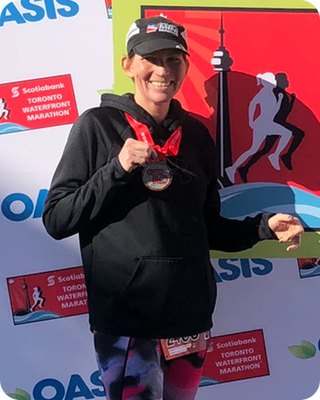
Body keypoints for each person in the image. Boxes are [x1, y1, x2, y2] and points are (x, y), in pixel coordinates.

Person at [42, 16, 304, 400]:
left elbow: (208, 227)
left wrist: (264, 227)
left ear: (184, 67)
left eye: (173, 59)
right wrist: (116, 170)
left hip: (189, 320)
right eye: (151, 58)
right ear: (129, 66)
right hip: (127, 321)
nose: (163, 70)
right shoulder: (97, 126)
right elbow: (57, 219)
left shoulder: (196, 135)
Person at [225, 72, 292, 184]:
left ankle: (274, 155)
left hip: (268, 123)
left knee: (285, 134)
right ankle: (233, 168)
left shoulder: (271, 94)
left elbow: (274, 111)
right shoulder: (264, 92)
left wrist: (280, 100)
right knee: (254, 149)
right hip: (262, 124)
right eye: (273, 80)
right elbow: (252, 104)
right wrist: (251, 120)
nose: (275, 82)